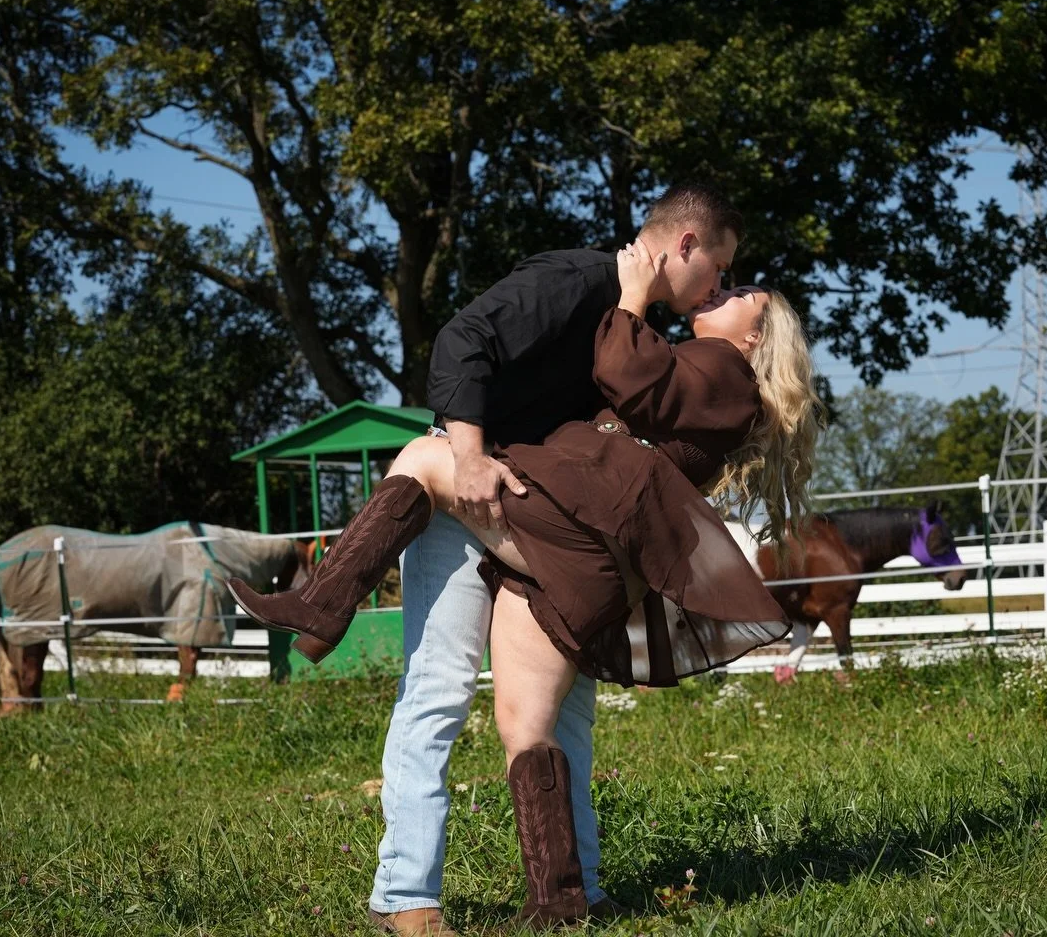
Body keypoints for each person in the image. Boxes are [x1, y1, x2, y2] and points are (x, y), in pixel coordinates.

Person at [234, 237, 819, 928]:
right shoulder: (697, 366)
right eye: (724, 274)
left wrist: (632, 299)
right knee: (526, 722)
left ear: (756, 338)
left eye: (741, 292)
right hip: (577, 557)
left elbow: (624, 370)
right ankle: (561, 899)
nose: (725, 286)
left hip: (576, 534)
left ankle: (320, 605)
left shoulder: (721, 369)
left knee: (427, 453)